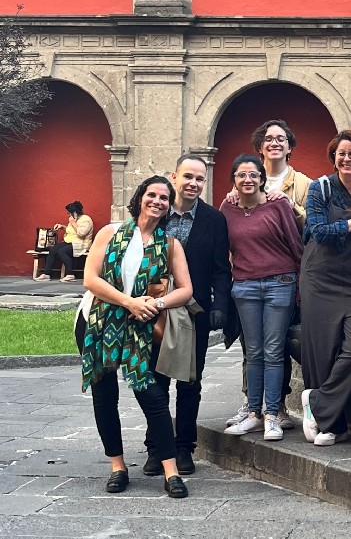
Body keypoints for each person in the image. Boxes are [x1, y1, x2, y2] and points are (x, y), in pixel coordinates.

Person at [77, 176, 194, 498]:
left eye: (164, 198)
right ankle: (118, 466)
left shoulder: (169, 244)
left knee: (153, 398)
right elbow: (90, 278)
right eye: (152, 195)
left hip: (142, 328)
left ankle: (170, 472)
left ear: (170, 205)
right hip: (98, 324)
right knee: (105, 397)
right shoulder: (110, 233)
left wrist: (155, 303)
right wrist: (129, 301)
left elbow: (186, 290)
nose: (157, 201)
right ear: (140, 197)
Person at [141, 155, 231, 477]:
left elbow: (222, 269)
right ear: (175, 177)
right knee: (157, 380)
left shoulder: (214, 220)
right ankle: (157, 448)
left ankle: (184, 448)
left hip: (195, 312)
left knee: (190, 382)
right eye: (188, 177)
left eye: (200, 179)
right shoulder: (157, 214)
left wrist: (220, 304)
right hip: (154, 310)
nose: (194, 184)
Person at [224, 119, 311, 430]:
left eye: (281, 139)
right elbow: (227, 240)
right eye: (269, 139)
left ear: (289, 146)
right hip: (246, 282)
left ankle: (274, 410)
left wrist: (288, 205)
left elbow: (303, 236)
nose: (275, 143)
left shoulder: (301, 185)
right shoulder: (230, 203)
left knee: (275, 348)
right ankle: (253, 408)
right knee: (253, 349)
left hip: (282, 280)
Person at [299, 130, 351, 446]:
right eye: (341, 153)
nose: (347, 159)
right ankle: (333, 426)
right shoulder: (320, 188)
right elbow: (319, 232)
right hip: (320, 276)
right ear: (333, 157)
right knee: (322, 352)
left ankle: (317, 404)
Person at [35, 201, 93, 282]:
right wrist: (62, 227)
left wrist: (72, 222)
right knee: (53, 250)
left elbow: (81, 233)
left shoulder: (86, 220)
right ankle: (46, 274)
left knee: (62, 251)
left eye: (69, 213)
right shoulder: (73, 219)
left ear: (75, 212)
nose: (68, 214)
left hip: (81, 244)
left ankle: (70, 274)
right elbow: (72, 230)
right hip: (70, 241)